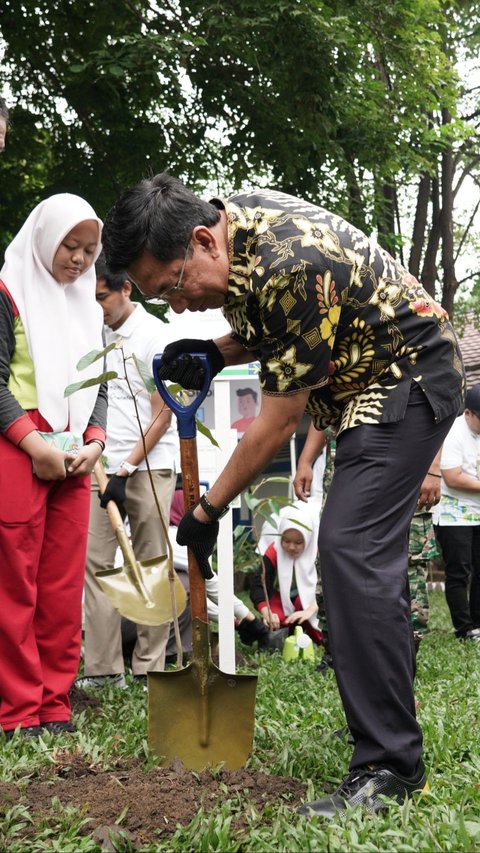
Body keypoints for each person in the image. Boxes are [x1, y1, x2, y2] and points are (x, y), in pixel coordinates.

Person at [102, 172, 464, 816]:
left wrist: (209, 510)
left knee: (351, 552)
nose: (178, 307)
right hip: (359, 382)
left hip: (408, 375)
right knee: (356, 557)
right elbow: (285, 327)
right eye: (163, 298)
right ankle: (377, 725)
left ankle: (392, 765)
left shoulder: (284, 263)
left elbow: (276, 422)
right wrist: (217, 351)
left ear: (204, 240)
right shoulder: (238, 237)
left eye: (175, 286)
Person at [0, 194, 106, 739]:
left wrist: (96, 439)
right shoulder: (7, 292)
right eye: (71, 246)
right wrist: (32, 443)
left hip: (74, 457)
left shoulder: (88, 304)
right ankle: (17, 711)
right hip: (19, 449)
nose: (81, 260)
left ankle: (54, 705)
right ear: (45, 238)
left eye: (90, 250)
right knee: (14, 584)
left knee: (62, 586)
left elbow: (99, 382)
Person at [76, 254, 179, 690]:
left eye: (102, 297)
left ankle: (150, 667)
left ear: (125, 290)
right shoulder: (89, 333)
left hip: (148, 467)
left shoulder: (155, 335)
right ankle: (102, 670)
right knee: (95, 565)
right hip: (98, 468)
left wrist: (127, 466)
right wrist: (101, 463)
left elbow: (163, 415)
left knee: (152, 563)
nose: (96, 306)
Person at [164, 487, 269, 658]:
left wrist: (235, 622)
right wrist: (250, 619)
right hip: (143, 622)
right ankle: (172, 653)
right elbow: (210, 585)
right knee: (183, 584)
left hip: (127, 618)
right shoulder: (177, 540)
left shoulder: (159, 536)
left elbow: (197, 596)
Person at [433, 385, 480, 643]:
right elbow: (453, 478)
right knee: (459, 572)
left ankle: (478, 623)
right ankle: (464, 629)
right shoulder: (453, 432)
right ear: (469, 413)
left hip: (478, 510)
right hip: (454, 514)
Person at [250, 501, 322, 645]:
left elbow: (331, 590)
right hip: (282, 599)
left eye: (298, 542)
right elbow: (259, 583)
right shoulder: (275, 549)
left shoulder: (318, 551)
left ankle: (307, 627)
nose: (291, 547)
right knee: (275, 620)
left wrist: (310, 611)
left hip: (313, 601)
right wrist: (266, 611)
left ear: (308, 539)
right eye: (286, 540)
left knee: (308, 607)